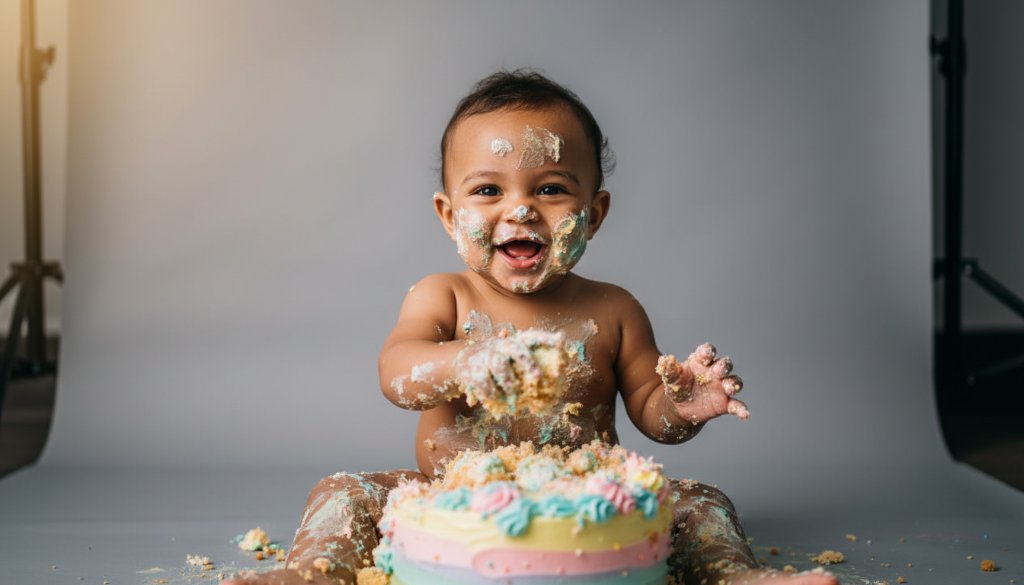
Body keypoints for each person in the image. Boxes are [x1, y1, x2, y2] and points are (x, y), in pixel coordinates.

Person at [225, 70, 838, 585]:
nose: (519, 210)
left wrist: (683, 406)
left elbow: (650, 413)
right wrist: (465, 362)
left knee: (702, 500)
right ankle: (310, 572)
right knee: (345, 490)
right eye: (488, 190)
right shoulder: (445, 295)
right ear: (448, 214)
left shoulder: (615, 310)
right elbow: (396, 374)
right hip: (449, 495)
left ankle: (735, 576)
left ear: (593, 214)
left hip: (588, 498)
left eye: (549, 189)